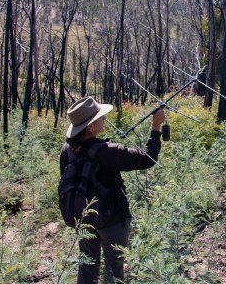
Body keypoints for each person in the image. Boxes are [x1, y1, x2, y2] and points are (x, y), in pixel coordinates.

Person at [60, 96, 165, 283]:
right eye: (100, 117)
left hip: (83, 218)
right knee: (114, 270)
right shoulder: (106, 151)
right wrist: (156, 127)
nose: (104, 119)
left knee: (87, 266)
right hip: (112, 220)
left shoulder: (67, 150)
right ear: (91, 127)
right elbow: (149, 158)